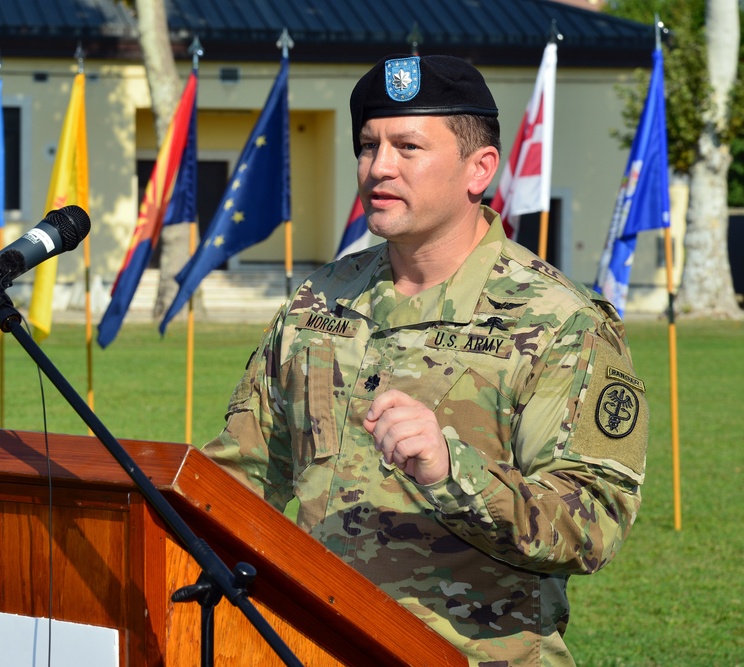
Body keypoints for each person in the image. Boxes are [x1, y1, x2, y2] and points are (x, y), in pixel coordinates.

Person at [202, 54, 648, 666]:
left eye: (408, 146)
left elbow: (592, 525)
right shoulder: (318, 301)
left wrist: (449, 471)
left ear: (479, 169)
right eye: (367, 146)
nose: (378, 167)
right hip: (312, 645)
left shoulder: (559, 322)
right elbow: (242, 472)